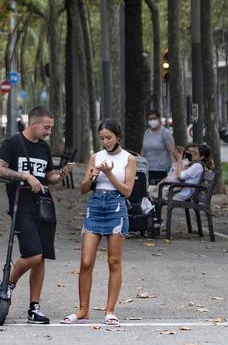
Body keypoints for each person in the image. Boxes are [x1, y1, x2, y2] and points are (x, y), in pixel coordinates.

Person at [0, 107, 73, 325]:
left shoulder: (44, 148)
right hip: (21, 206)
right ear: (33, 123)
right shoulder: (12, 144)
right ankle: (6, 284)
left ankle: (34, 307)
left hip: (44, 207)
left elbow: (49, 177)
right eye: (46, 127)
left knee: (41, 257)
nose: (48, 132)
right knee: (33, 254)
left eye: (51, 128)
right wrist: (25, 176)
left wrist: (60, 174)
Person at [68, 120, 135, 327]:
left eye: (109, 138)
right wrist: (92, 176)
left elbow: (127, 191)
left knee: (113, 261)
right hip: (95, 205)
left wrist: (109, 174)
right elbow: (83, 189)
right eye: (102, 138)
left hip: (116, 207)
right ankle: (83, 309)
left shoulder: (129, 159)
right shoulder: (95, 157)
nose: (105, 142)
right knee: (86, 261)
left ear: (118, 137)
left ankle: (110, 310)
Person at [141, 109, 176, 185]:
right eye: (150, 119)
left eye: (154, 118)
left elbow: (172, 151)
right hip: (147, 169)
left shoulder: (165, 133)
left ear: (159, 119)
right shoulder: (146, 133)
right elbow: (143, 150)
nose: (152, 121)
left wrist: (174, 168)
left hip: (161, 170)